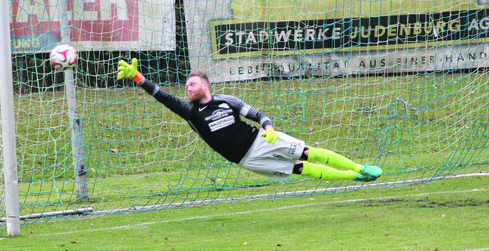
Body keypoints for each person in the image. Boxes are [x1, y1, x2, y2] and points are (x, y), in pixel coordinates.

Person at [117, 58, 383, 182]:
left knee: (306, 152)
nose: (187, 87)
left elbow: (257, 115)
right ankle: (352, 177)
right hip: (247, 160)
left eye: (192, 83)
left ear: (206, 86)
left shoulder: (226, 101)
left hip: (260, 141)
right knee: (300, 169)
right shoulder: (190, 111)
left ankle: (360, 167)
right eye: (186, 85)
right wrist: (138, 77)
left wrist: (268, 128)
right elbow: (162, 95)